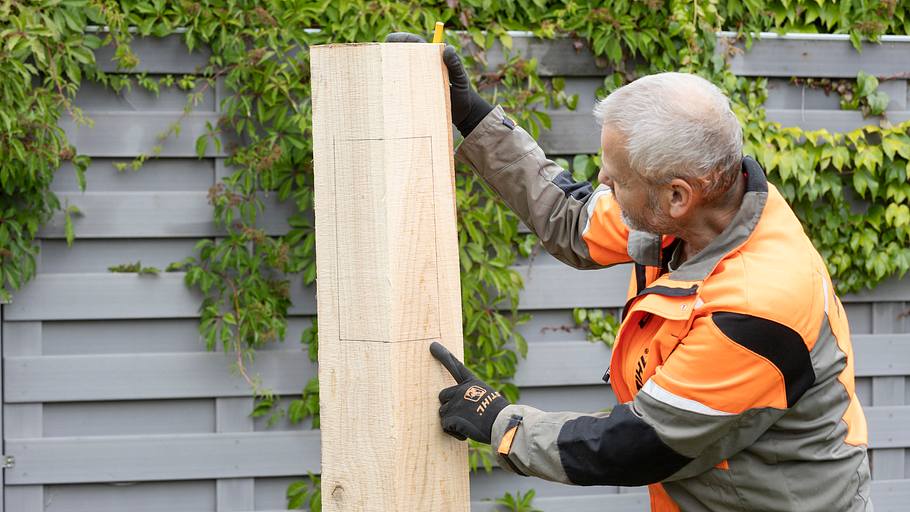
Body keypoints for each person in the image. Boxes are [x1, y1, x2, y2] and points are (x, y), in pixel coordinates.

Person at [386, 33, 872, 511]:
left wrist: (501, 424)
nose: (602, 184)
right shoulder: (697, 215)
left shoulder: (758, 307)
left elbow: (640, 442)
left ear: (677, 195)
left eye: (615, 180)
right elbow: (572, 218)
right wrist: (473, 117)